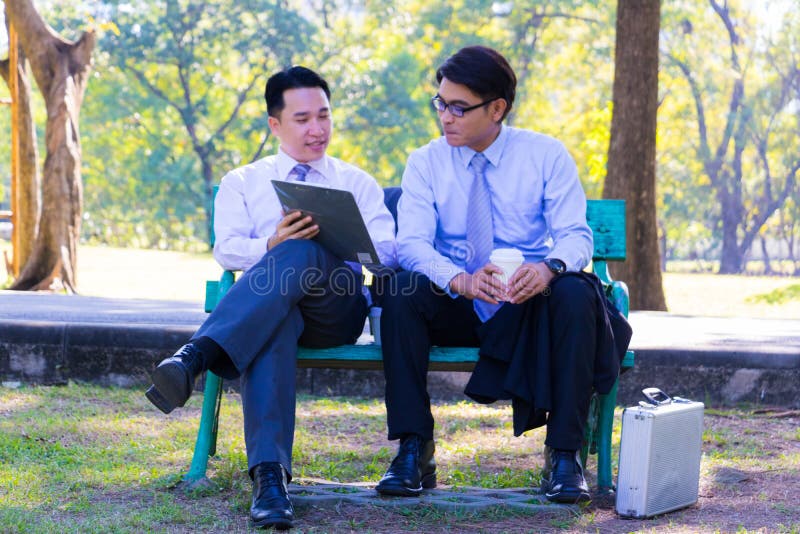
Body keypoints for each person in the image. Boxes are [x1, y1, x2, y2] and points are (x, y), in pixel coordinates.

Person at [375, 46, 631, 504]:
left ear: (497, 108)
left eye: (458, 107)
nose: (445, 117)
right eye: (440, 103)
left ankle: (564, 454)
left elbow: (576, 236)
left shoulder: (545, 155)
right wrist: (461, 280)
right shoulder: (426, 162)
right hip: (458, 298)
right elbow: (411, 243)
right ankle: (413, 448)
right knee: (400, 287)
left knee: (574, 293)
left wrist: (548, 269)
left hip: (526, 304)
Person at [145, 66, 397, 529]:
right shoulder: (244, 181)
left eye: (324, 116)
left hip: (335, 305)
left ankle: (195, 355)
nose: (316, 129)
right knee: (273, 320)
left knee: (302, 252)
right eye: (302, 119)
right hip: (270, 309)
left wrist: (342, 238)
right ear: (274, 124)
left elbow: (387, 255)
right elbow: (226, 248)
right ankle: (270, 478)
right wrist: (270, 244)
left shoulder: (355, 181)